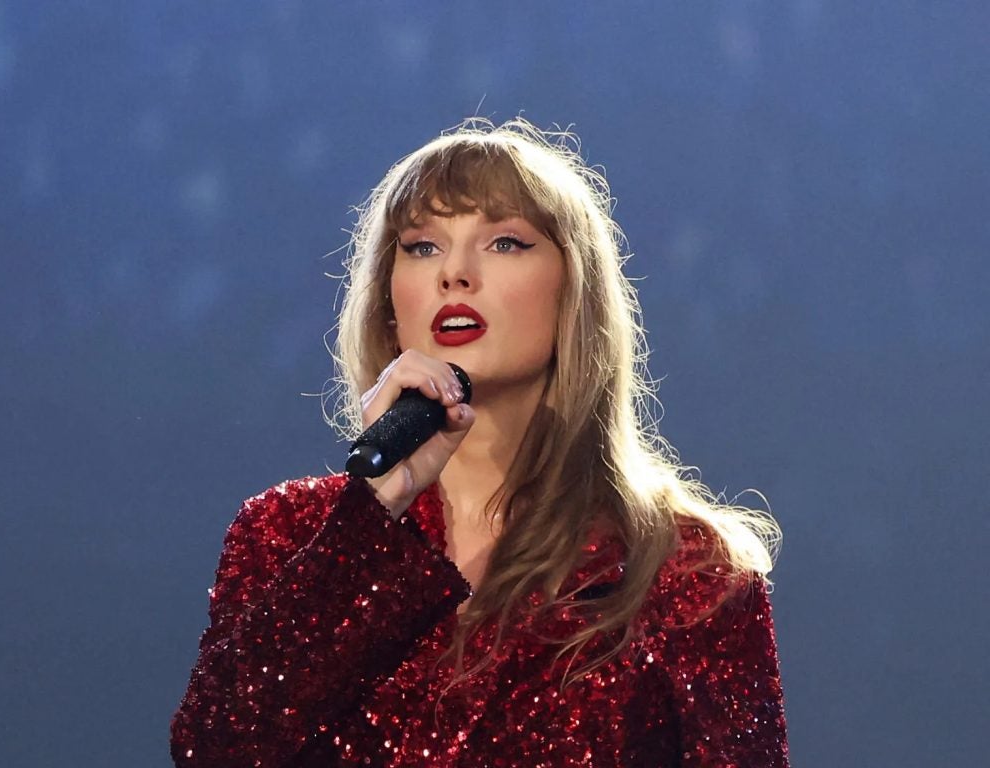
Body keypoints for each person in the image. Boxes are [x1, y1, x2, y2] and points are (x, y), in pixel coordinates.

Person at [169, 118, 790, 767]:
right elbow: (214, 749)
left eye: (504, 242)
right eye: (422, 246)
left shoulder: (686, 573)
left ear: (573, 292)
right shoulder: (289, 533)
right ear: (388, 300)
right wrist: (369, 520)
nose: (455, 274)